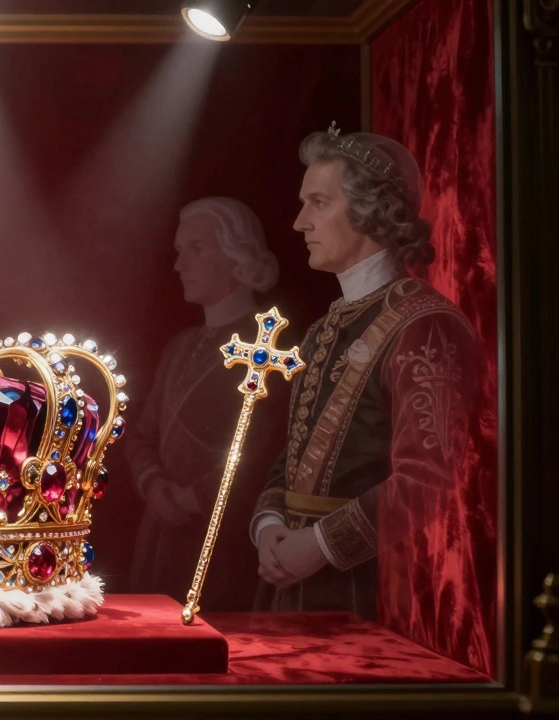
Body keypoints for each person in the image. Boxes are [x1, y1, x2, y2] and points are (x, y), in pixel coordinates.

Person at [251, 124, 482, 620]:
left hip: (373, 591)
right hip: (292, 581)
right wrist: (271, 528)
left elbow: (430, 481)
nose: (299, 223)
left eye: (318, 202)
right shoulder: (323, 329)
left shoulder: (426, 326)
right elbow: (292, 455)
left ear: (368, 212)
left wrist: (317, 545)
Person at [125, 197, 287, 608]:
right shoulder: (179, 347)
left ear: (239, 256)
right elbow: (142, 435)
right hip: (159, 534)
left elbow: (265, 446)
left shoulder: (269, 344)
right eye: (180, 252)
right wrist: (155, 486)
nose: (180, 265)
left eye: (197, 249)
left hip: (224, 532)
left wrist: (193, 497)